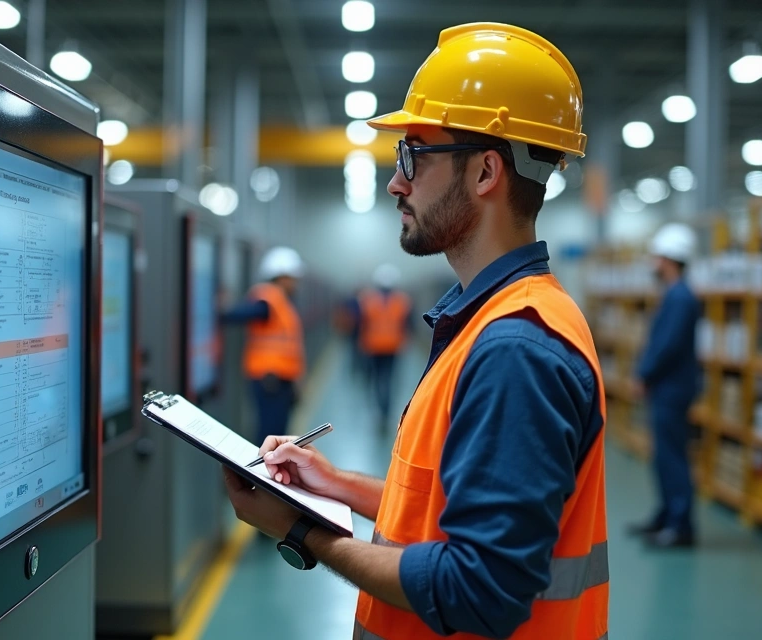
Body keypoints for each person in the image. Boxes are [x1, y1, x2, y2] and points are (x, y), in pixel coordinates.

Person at [222, 22, 608, 640]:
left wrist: (302, 532)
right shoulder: (490, 319)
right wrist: (336, 485)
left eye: (414, 156)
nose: (396, 182)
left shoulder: (515, 348)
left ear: (486, 173)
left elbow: (478, 591)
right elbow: (445, 511)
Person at [629, 222, 703, 549]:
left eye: (657, 257)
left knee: (672, 456)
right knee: (663, 455)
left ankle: (680, 525)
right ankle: (666, 516)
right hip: (668, 387)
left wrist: (644, 374)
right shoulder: (675, 295)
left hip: (672, 388)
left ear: (669, 259)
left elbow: (667, 345)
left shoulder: (681, 297)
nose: (653, 263)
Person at [220, 246, 306, 442]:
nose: (295, 284)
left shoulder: (282, 301)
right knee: (270, 433)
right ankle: (262, 472)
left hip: (281, 379)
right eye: (293, 278)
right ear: (281, 276)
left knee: (278, 433)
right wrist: (223, 310)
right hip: (269, 379)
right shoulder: (269, 297)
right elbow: (242, 314)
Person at [357, 264, 413, 428]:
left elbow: (361, 324)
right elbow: (408, 324)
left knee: (377, 380)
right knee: (388, 379)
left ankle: (382, 409)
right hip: (393, 347)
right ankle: (385, 411)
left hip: (373, 346)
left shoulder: (367, 299)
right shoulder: (402, 300)